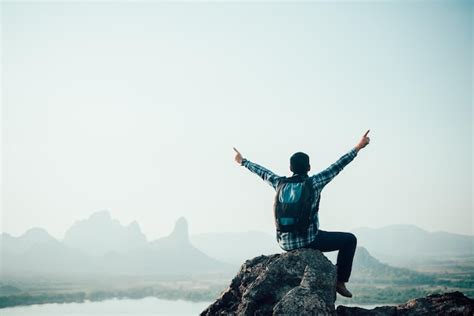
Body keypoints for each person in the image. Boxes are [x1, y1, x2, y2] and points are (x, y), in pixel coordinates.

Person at [233, 130, 371, 298]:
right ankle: (340, 281)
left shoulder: (279, 183)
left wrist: (243, 161)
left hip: (284, 242)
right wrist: (359, 146)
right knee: (350, 240)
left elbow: (262, 171)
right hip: (309, 240)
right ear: (309, 168)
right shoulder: (314, 183)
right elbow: (338, 165)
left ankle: (339, 280)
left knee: (330, 236)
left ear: (290, 168)